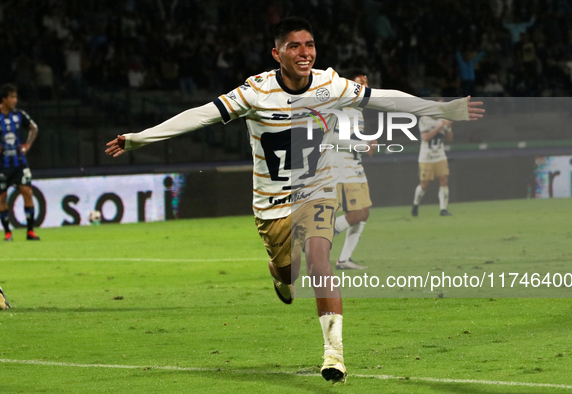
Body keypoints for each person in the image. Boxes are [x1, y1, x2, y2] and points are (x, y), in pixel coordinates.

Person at [106, 17, 484, 383]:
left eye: (310, 44)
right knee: (290, 270)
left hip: (316, 188)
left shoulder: (329, 85)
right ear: (277, 54)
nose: (305, 52)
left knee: (321, 258)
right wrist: (139, 138)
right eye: (294, 46)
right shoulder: (254, 93)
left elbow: (383, 99)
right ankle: (280, 276)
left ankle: (333, 352)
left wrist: (442, 109)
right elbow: (201, 115)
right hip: (271, 203)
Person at [332, 69, 374, 270]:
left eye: (366, 83)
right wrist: (363, 145)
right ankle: (318, 237)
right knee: (357, 214)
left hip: (355, 167)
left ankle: (344, 260)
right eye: (360, 83)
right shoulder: (343, 108)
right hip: (343, 168)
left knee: (363, 213)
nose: (365, 87)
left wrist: (366, 141)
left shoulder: (357, 110)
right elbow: (333, 139)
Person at [0, 84, 40, 241]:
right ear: (4, 99)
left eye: (16, 97)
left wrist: (28, 144)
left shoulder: (19, 115)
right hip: (2, 164)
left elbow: (34, 128)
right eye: (12, 97)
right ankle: (7, 233)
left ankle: (30, 231)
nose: (15, 101)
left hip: (19, 162)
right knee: (2, 197)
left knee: (27, 192)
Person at [411, 109, 453, 217]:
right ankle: (415, 205)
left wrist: (448, 127)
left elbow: (449, 139)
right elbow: (426, 137)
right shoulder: (424, 119)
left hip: (440, 156)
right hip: (426, 157)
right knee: (424, 185)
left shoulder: (444, 120)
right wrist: (440, 126)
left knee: (443, 180)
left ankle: (443, 209)